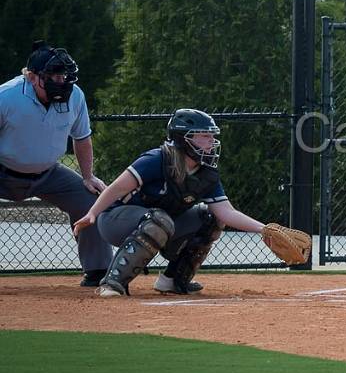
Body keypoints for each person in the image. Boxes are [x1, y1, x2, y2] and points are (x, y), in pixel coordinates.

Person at [72, 109, 268, 297]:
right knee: (159, 219)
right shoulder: (157, 159)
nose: (211, 141)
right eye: (203, 136)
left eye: (211, 136)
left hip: (160, 221)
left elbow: (226, 213)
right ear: (183, 139)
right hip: (115, 219)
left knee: (210, 218)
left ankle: (172, 280)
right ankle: (112, 283)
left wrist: (265, 230)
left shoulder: (205, 172)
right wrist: (93, 213)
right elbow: (116, 188)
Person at [0, 41, 111, 285]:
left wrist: (88, 176)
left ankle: (98, 271)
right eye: (52, 76)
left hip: (48, 173)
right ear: (31, 77)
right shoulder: (6, 97)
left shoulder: (75, 96)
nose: (60, 82)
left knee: (91, 200)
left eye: (63, 76)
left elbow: (81, 138)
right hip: (4, 171)